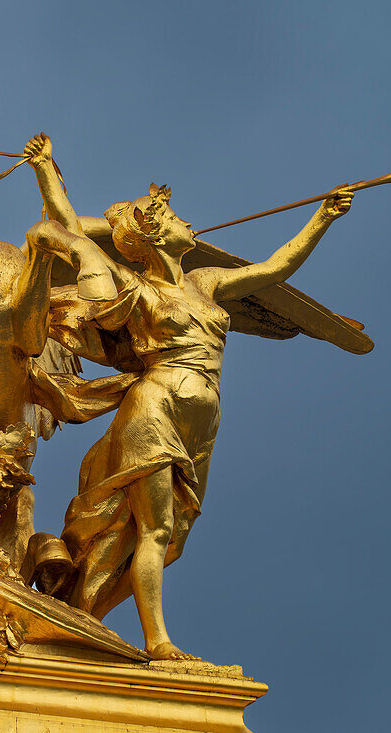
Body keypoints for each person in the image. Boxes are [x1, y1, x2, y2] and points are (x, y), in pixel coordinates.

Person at [26, 134, 353, 659]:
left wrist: (323, 217)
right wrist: (45, 168)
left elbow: (272, 271)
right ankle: (159, 642)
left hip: (201, 421)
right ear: (154, 234)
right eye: (175, 219)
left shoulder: (206, 282)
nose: (188, 224)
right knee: (154, 530)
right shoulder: (135, 288)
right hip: (155, 407)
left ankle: (84, 614)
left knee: (169, 539)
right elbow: (67, 228)